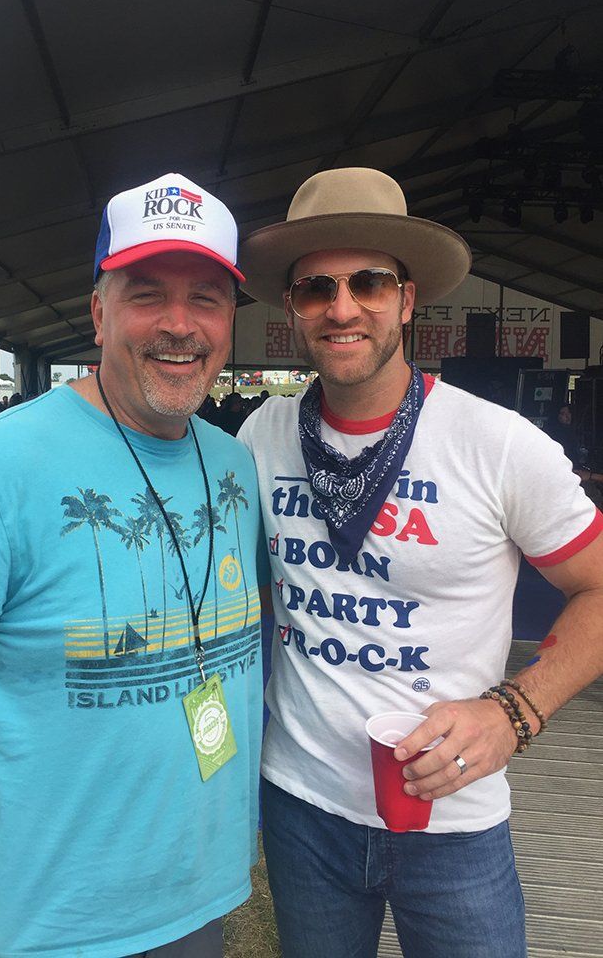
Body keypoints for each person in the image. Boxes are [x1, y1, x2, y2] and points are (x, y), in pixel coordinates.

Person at [0, 173, 265, 958]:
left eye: (206, 297)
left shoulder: (234, 467)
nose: (180, 325)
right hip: (31, 928)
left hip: (197, 905)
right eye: (147, 293)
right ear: (99, 311)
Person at [237, 167, 603, 958]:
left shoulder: (496, 443)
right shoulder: (260, 437)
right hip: (302, 811)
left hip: (454, 818)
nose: (342, 308)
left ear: (407, 300)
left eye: (368, 282)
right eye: (315, 289)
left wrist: (514, 712)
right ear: (294, 310)